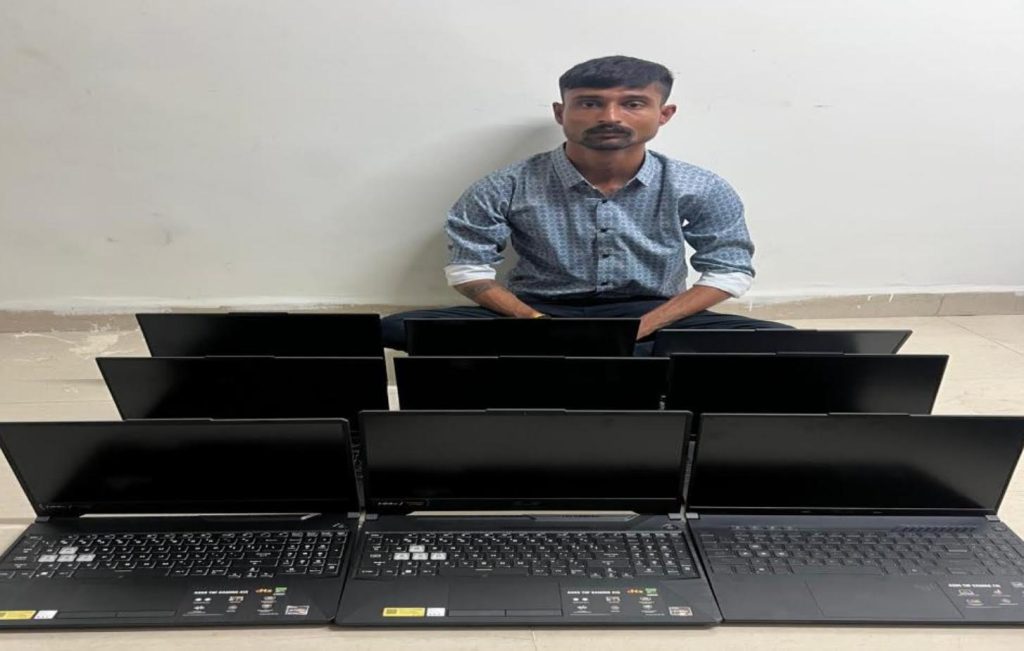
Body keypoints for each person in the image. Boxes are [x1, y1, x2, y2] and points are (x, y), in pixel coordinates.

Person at [382, 55, 789, 353]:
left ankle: (576, 359)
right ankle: (601, 357)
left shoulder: (699, 186)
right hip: (536, 312)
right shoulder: (506, 184)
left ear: (664, 114)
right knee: (391, 329)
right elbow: (468, 269)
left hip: (652, 312)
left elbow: (729, 271)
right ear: (561, 112)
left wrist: (643, 326)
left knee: (781, 342)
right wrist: (535, 323)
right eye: (590, 103)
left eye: (633, 103)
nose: (610, 116)